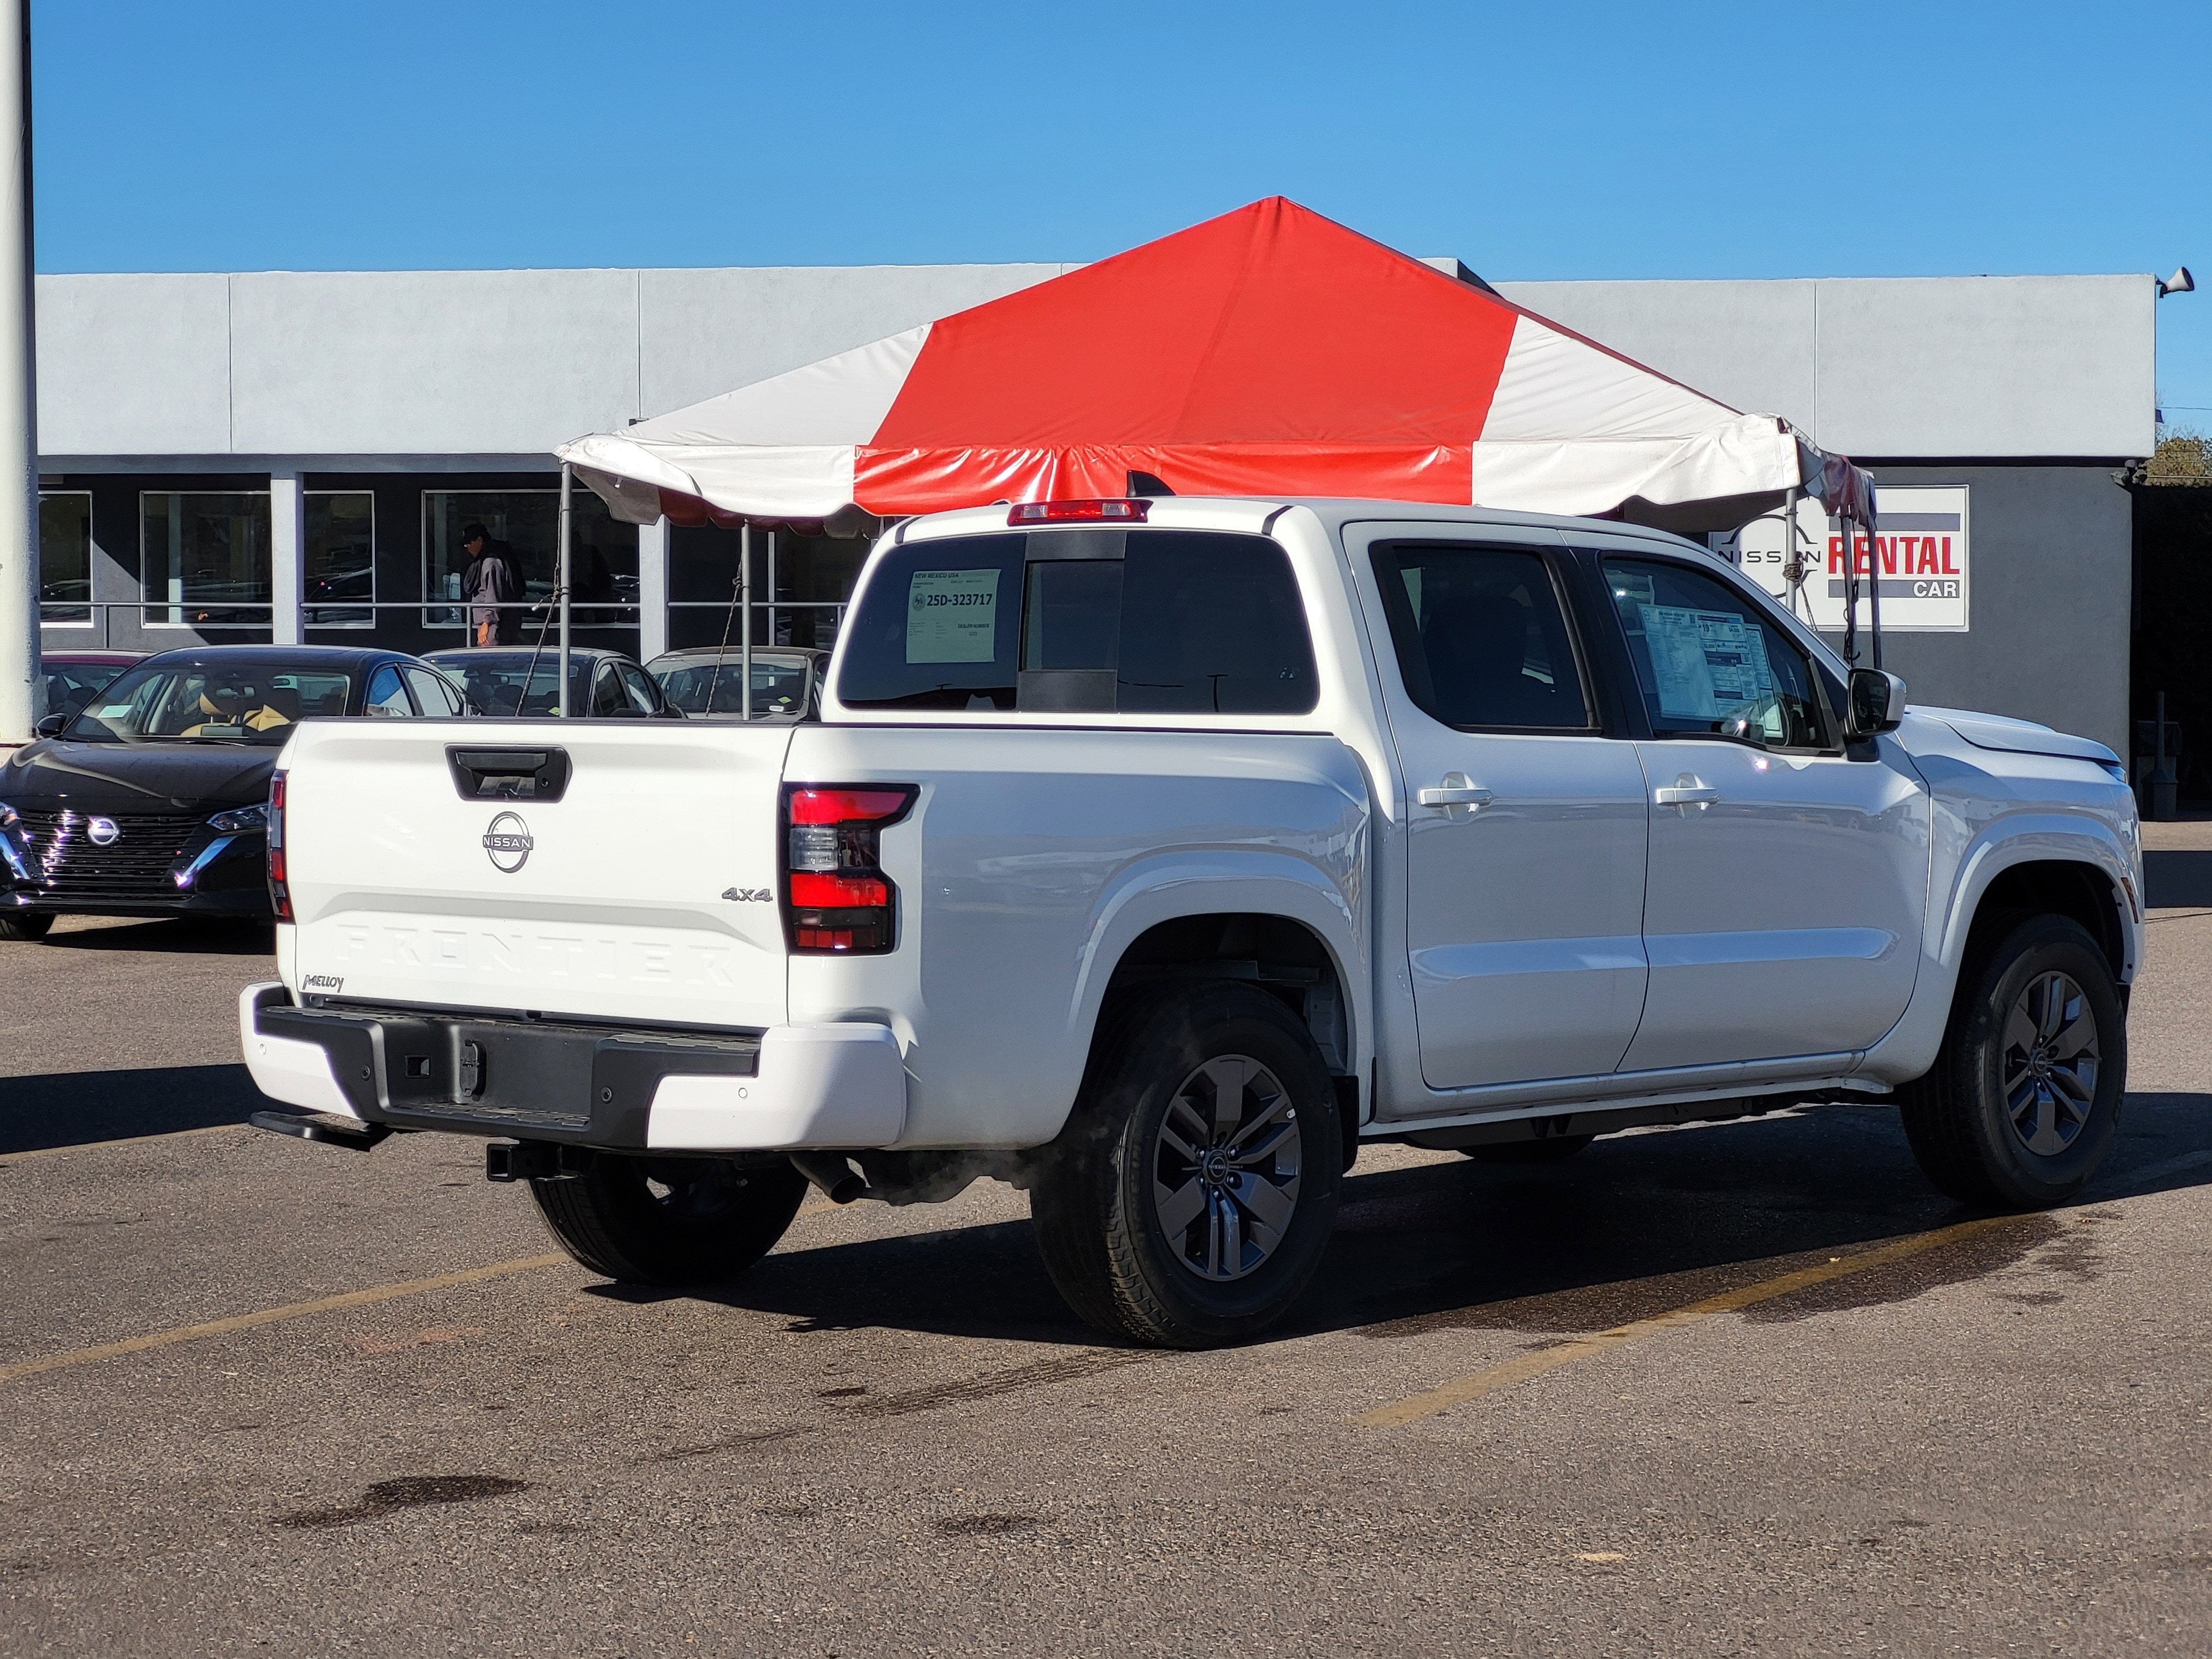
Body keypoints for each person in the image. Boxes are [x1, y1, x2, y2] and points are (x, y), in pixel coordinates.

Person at [460, 523, 524, 646]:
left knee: (490, 654)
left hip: (493, 626)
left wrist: (487, 622)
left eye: (469, 543)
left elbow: (493, 595)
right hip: (490, 623)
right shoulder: (485, 561)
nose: (467, 547)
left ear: (479, 540)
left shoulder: (491, 562)